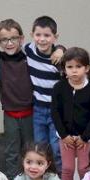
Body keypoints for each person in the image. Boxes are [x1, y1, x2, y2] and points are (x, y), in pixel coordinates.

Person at [51, 47, 90, 180]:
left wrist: (85, 137)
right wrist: (64, 135)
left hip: (85, 138)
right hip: (65, 137)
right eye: (70, 67)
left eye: (78, 66)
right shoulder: (59, 88)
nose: (74, 70)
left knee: (84, 168)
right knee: (67, 168)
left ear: (86, 68)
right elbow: (55, 112)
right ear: (64, 69)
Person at [0, 19, 34, 180]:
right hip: (10, 114)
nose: (9, 43)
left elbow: (53, 48)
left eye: (14, 38)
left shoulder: (30, 57)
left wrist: (59, 49)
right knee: (11, 152)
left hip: (31, 113)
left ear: (22, 39)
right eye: (4, 39)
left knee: (30, 149)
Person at [25, 16, 65, 171]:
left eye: (47, 35)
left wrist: (61, 49)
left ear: (55, 37)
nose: (42, 39)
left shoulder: (59, 58)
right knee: (40, 147)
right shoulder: (28, 49)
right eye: (38, 35)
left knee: (56, 149)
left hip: (56, 111)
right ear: (32, 35)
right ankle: (42, 178)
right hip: (38, 110)